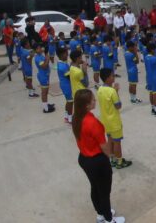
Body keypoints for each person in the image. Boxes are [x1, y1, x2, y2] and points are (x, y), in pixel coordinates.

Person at [72, 89, 126, 223]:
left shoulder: (76, 117)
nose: (95, 101)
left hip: (84, 158)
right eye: (93, 100)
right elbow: (104, 147)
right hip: (97, 160)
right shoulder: (92, 123)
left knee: (95, 187)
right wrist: (110, 152)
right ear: (87, 105)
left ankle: (101, 213)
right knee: (104, 191)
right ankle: (109, 219)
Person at [97, 68, 132, 169]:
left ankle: (112, 158)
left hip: (105, 120)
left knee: (110, 139)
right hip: (114, 121)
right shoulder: (112, 91)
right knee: (117, 142)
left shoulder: (100, 89)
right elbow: (118, 106)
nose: (114, 77)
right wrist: (116, 91)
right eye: (112, 76)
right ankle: (120, 161)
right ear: (108, 78)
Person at [34, 43, 55, 113]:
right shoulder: (37, 58)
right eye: (38, 48)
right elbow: (44, 66)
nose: (40, 49)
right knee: (44, 92)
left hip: (46, 75)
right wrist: (47, 59)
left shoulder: (40, 55)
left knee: (46, 92)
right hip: (43, 76)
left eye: (40, 47)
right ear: (35, 50)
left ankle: (46, 104)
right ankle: (46, 108)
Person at [56, 47, 74, 123]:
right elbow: (70, 76)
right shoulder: (63, 66)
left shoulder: (61, 63)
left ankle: (66, 116)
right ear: (61, 55)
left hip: (64, 85)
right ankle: (70, 118)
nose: (67, 55)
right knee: (70, 102)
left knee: (68, 101)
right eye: (66, 54)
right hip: (67, 86)